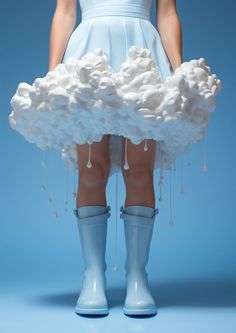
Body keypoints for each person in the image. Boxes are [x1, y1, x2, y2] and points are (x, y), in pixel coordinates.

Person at [9, 0, 221, 317]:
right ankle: (93, 276)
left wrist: (178, 67)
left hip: (142, 50)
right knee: (92, 168)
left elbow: (167, 12)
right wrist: (54, 69)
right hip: (89, 50)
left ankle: (138, 276)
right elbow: (65, 11)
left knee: (139, 169)